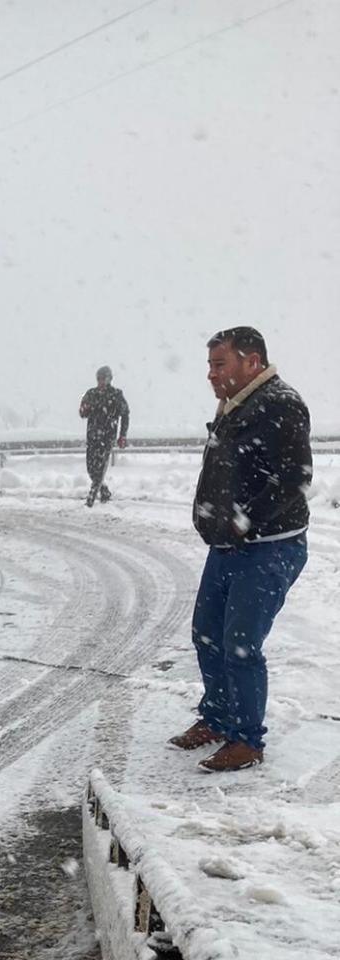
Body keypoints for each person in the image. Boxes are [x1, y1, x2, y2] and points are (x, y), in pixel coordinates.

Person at [168, 326, 311, 773]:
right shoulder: (237, 403)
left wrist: (245, 522)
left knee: (241, 645)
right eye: (209, 365)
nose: (210, 374)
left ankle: (247, 741)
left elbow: (295, 478)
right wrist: (214, 521)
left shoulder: (281, 403)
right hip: (229, 546)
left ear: (251, 361)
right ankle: (217, 718)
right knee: (206, 634)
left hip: (268, 549)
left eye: (219, 364)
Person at [78, 365, 129, 507]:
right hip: (92, 436)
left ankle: (91, 497)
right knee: (90, 468)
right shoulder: (91, 394)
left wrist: (122, 435)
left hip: (108, 436)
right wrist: (84, 409)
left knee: (101, 467)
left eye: (103, 379)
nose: (101, 382)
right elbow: (82, 413)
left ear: (109, 379)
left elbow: (125, 415)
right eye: (99, 379)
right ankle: (104, 490)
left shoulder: (116, 395)